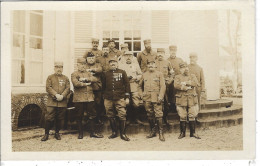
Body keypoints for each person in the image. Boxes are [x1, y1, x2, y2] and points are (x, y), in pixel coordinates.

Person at [71, 58, 103, 139]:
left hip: (89, 98)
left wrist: (85, 79)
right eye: (80, 64)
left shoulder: (88, 73)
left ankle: (92, 133)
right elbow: (76, 83)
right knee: (79, 116)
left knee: (92, 115)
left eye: (84, 64)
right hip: (79, 98)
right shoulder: (74, 74)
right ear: (77, 65)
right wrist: (86, 84)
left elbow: (95, 79)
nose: (82, 66)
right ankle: (80, 133)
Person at [102, 57, 131, 141]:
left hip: (120, 97)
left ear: (117, 63)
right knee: (110, 113)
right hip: (108, 97)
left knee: (122, 114)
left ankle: (123, 134)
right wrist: (104, 96)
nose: (112, 64)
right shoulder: (105, 74)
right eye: (111, 62)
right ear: (109, 64)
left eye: (114, 62)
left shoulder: (122, 72)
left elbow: (127, 85)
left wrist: (127, 97)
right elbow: (103, 86)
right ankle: (114, 132)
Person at [41, 61, 70, 141]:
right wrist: (56, 95)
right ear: (54, 68)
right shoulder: (50, 77)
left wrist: (62, 96)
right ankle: (46, 134)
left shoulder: (66, 78)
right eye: (57, 67)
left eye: (60, 67)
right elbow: (48, 87)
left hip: (62, 102)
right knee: (49, 118)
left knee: (60, 118)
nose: (59, 69)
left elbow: (68, 88)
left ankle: (57, 133)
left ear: (62, 68)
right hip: (52, 102)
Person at [139, 58, 166, 141]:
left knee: (158, 114)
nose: (150, 65)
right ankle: (152, 131)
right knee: (149, 114)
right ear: (147, 65)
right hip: (147, 98)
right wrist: (141, 94)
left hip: (157, 97)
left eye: (152, 64)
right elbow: (139, 86)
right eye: (149, 64)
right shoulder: (144, 74)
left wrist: (161, 97)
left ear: (155, 65)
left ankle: (161, 133)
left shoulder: (159, 74)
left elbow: (163, 86)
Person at [174, 62, 201, 139]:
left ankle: (193, 133)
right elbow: (176, 85)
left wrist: (185, 83)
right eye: (182, 68)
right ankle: (182, 133)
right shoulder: (177, 77)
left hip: (191, 98)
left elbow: (195, 83)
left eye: (186, 67)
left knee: (192, 115)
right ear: (180, 69)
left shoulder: (192, 76)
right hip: (181, 98)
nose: (185, 69)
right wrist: (186, 88)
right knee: (182, 116)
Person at [118, 51, 144, 125]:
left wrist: (135, 78)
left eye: (130, 55)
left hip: (134, 85)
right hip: (124, 87)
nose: (128, 57)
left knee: (136, 103)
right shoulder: (121, 66)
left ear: (132, 57)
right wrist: (125, 78)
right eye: (126, 56)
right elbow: (118, 75)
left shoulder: (135, 65)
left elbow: (140, 75)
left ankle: (136, 118)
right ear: (124, 57)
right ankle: (128, 119)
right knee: (126, 103)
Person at [155, 48, 174, 128]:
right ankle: (157, 120)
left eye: (161, 52)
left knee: (166, 103)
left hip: (165, 85)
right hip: (156, 85)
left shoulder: (167, 62)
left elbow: (172, 74)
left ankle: (165, 118)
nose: (160, 54)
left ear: (164, 53)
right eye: (158, 52)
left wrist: (169, 81)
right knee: (157, 102)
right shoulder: (153, 63)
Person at [84, 52, 104, 125]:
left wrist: (90, 70)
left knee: (98, 103)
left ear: (95, 59)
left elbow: (100, 70)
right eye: (89, 58)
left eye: (92, 58)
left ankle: (98, 118)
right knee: (89, 103)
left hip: (97, 87)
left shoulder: (98, 64)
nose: (91, 60)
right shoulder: (84, 65)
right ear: (86, 59)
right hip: (88, 87)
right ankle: (89, 118)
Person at [167, 45, 184, 113]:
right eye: (171, 51)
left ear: (176, 51)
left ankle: (179, 107)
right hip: (171, 80)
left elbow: (183, 69)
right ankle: (172, 107)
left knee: (178, 94)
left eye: (174, 51)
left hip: (178, 80)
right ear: (169, 51)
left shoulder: (180, 60)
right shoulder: (167, 60)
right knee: (171, 94)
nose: (173, 52)